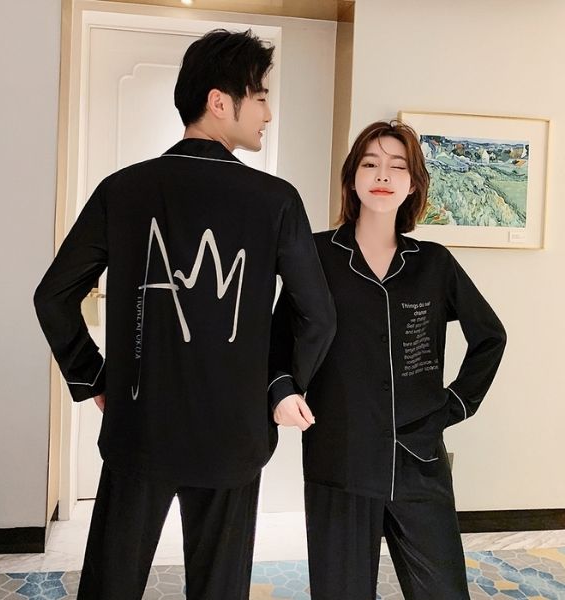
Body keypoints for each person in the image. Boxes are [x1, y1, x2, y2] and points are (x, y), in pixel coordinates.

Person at [34, 29, 335, 600]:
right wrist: (282, 385)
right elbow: (316, 315)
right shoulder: (276, 200)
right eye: (261, 96)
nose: (268, 112)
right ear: (220, 101)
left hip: (139, 428)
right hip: (233, 434)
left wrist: (92, 377)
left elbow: (52, 295)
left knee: (110, 585)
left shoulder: (123, 190)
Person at [269, 120, 507, 599]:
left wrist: (455, 405)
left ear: (413, 184)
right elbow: (276, 340)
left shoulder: (433, 263)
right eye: (370, 163)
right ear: (352, 177)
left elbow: (490, 337)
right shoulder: (316, 254)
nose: (383, 174)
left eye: (398, 166)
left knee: (444, 591)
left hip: (418, 457)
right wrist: (282, 390)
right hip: (340, 456)